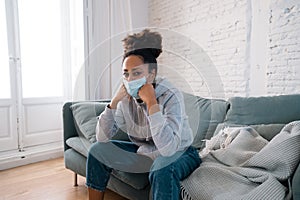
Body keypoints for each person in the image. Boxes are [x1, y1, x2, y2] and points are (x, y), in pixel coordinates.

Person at [86, 29, 201, 200]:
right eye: (126, 74)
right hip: (145, 152)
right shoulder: (126, 97)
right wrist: (113, 103)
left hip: (180, 152)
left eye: (137, 73)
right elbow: (102, 138)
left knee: (163, 166)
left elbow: (168, 149)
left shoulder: (171, 95)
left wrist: (152, 104)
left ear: (151, 74)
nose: (130, 79)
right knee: (97, 150)